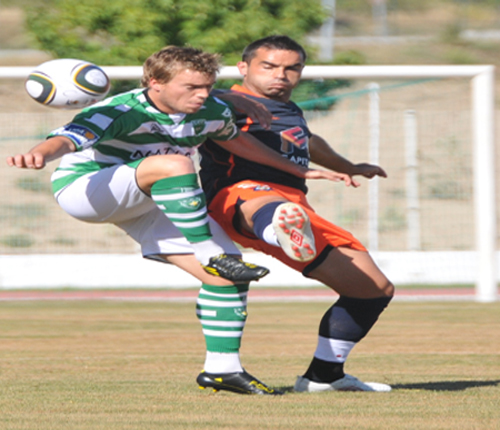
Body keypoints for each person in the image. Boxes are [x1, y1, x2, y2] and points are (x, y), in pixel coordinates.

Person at [7, 46, 348, 395]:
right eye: (192, 88)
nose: (202, 95)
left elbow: (238, 142)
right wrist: (39, 154)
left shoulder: (211, 108)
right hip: (89, 189)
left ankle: (222, 370)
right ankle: (208, 250)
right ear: (154, 83)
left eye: (208, 86)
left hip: (153, 195)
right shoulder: (119, 110)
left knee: (227, 273)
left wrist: (300, 170)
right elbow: (66, 139)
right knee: (176, 164)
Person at [199, 35, 395, 392]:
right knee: (269, 204)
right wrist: (228, 96)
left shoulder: (290, 111)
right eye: (269, 66)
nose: (281, 75)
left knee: (373, 289)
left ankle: (323, 377)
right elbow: (187, 98)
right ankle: (278, 228)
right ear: (243, 68)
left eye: (292, 68)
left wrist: (350, 166)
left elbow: (306, 141)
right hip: (237, 195)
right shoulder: (219, 103)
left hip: (296, 205)